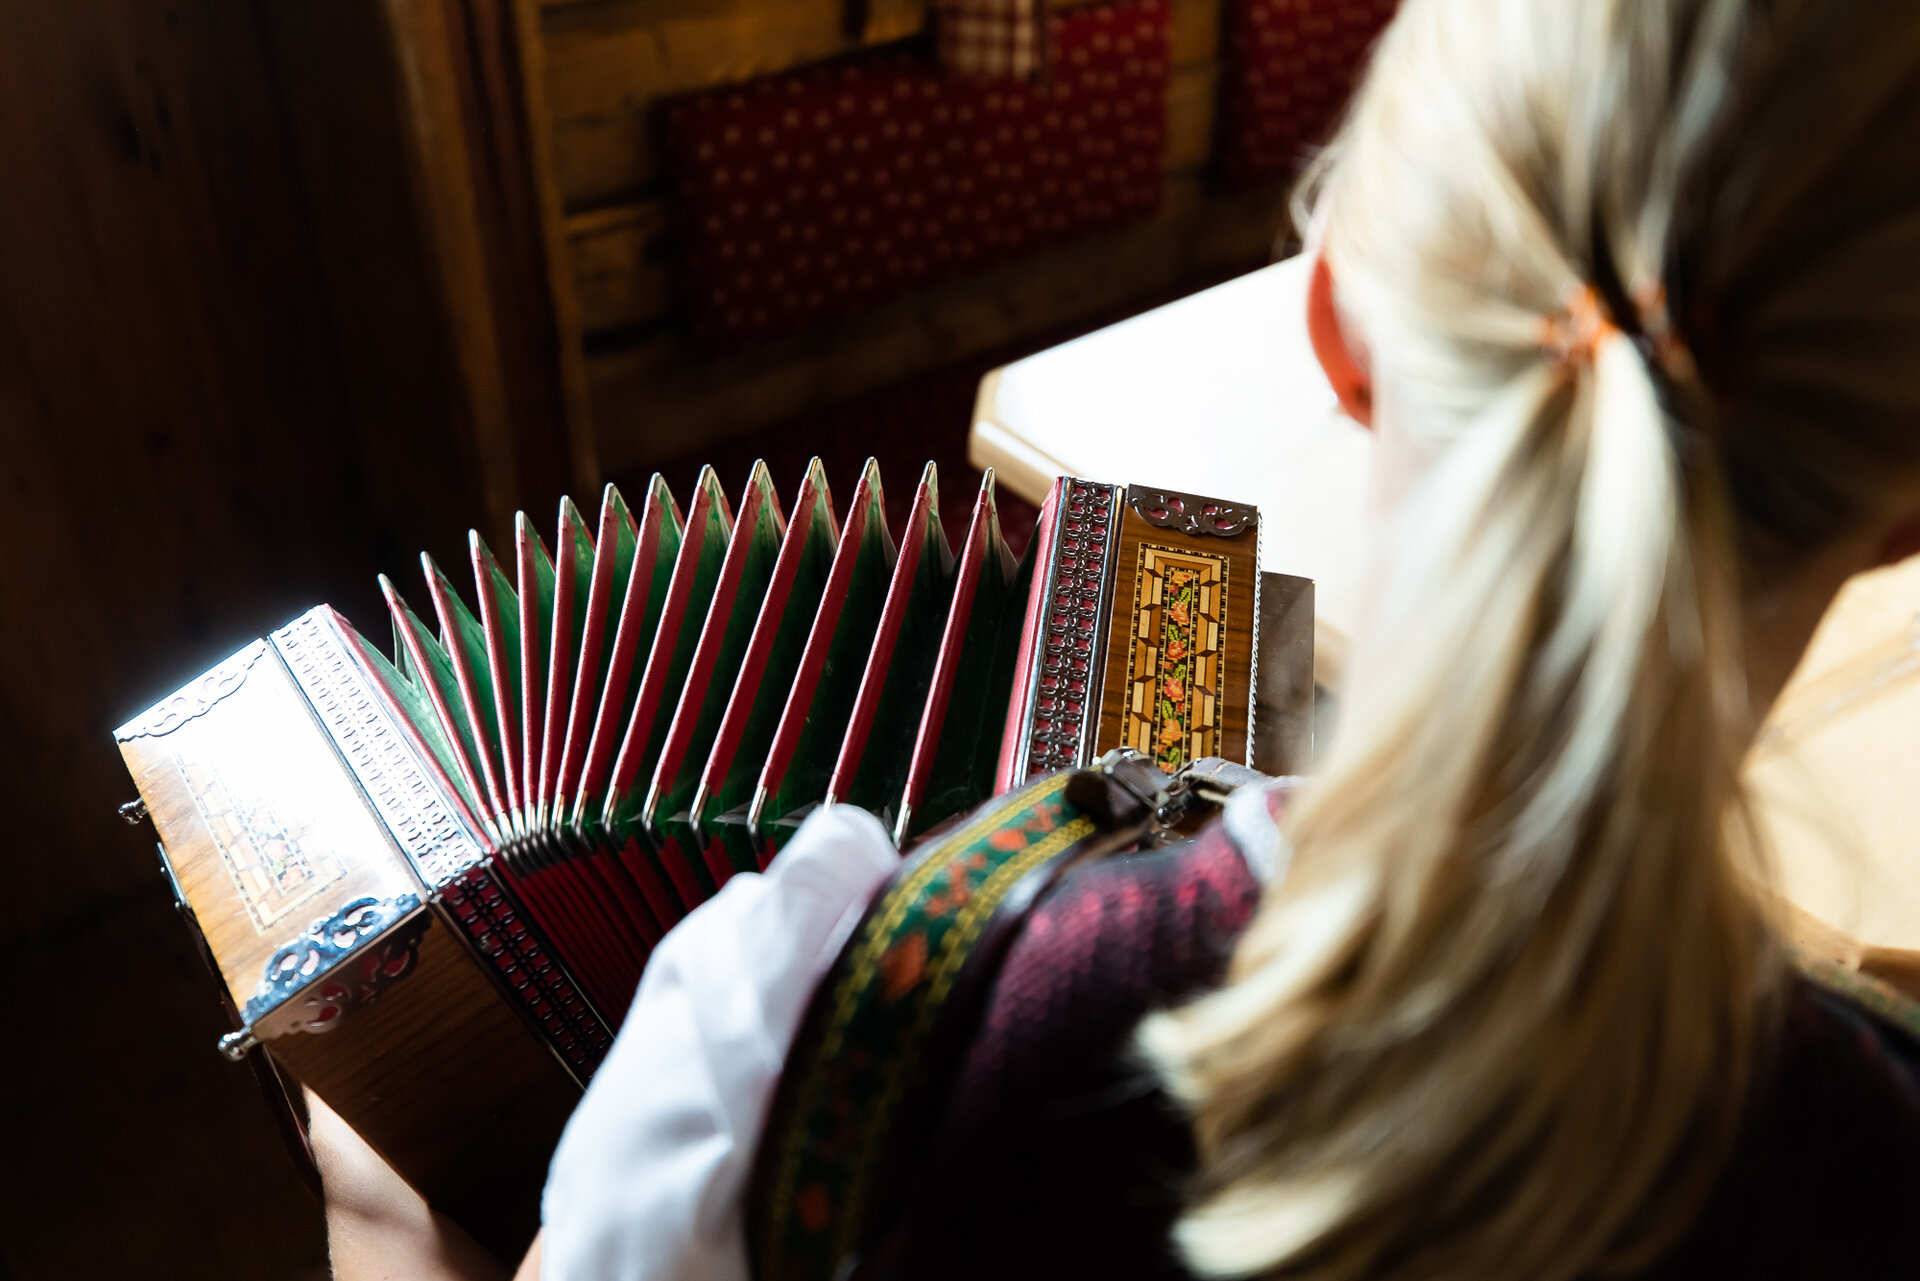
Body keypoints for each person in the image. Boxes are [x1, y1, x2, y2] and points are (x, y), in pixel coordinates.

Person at [315, 0, 1920, 1275]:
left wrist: (385, 1199)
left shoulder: (805, 1038)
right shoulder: (1878, 1145)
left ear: (1341, 322)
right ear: (1902, 503)